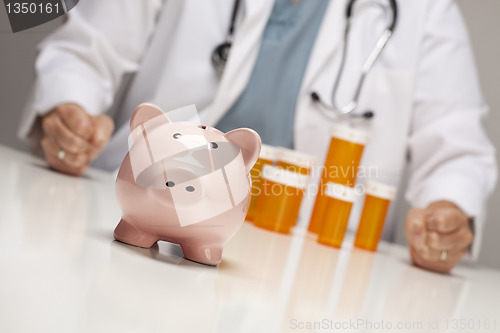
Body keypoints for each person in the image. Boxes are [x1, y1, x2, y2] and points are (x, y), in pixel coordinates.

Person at [18, 0, 497, 273]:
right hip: (132, 225)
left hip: (311, 266)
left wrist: (446, 213)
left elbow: (458, 147)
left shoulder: (426, 12)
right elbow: (82, 54)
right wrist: (69, 115)